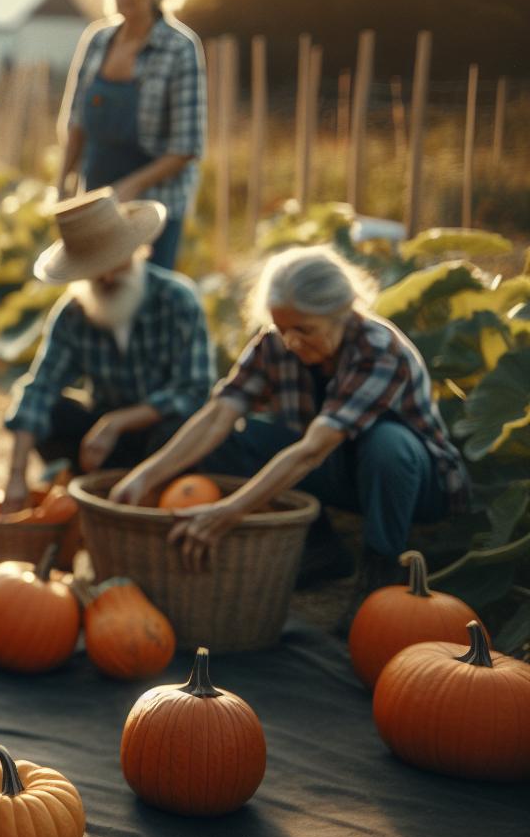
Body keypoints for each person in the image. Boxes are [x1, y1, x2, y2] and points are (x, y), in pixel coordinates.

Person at [111, 246, 469, 605]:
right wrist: (146, 474)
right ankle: (320, 547)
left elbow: (314, 449)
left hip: (415, 484)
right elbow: (218, 414)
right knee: (232, 441)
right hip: (337, 469)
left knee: (387, 442)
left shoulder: (378, 349)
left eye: (304, 329)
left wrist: (231, 510)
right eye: (282, 328)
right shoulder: (275, 343)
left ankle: (380, 571)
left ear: (341, 312)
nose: (291, 341)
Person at [0, 189, 213, 511]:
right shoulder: (73, 313)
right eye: (96, 270)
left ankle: (154, 493)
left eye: (116, 263)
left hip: (163, 441)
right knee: (54, 413)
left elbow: (194, 391)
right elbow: (38, 390)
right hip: (103, 447)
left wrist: (118, 422)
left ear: (139, 250)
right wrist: (16, 477)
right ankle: (88, 485)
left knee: (180, 426)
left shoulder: (177, 299)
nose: (109, 276)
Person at [57, 0, 205, 271]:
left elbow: (186, 146)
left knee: (146, 302)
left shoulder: (179, 48)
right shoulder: (97, 40)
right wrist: (62, 185)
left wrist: (131, 186)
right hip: (95, 203)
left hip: (153, 209)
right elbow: (76, 122)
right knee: (97, 301)